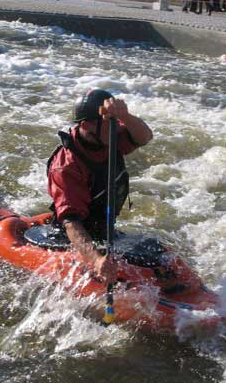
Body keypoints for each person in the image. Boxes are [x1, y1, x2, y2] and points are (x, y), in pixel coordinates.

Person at [47, 90, 153, 283]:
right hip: (74, 235)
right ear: (86, 124)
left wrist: (125, 116)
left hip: (103, 229)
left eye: (115, 121)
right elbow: (71, 222)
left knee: (155, 251)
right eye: (109, 122)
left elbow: (144, 137)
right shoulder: (66, 167)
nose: (117, 127)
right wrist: (96, 260)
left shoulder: (107, 135)